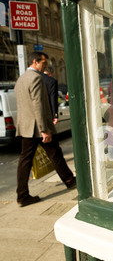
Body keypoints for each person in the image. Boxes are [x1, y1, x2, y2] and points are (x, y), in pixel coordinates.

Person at [15, 51, 76, 207]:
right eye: (43, 63)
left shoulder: (21, 79)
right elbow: (38, 105)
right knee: (54, 154)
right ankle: (69, 181)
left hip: (27, 126)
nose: (46, 66)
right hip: (38, 127)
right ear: (35, 62)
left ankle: (22, 195)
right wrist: (44, 129)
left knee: (27, 160)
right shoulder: (36, 78)